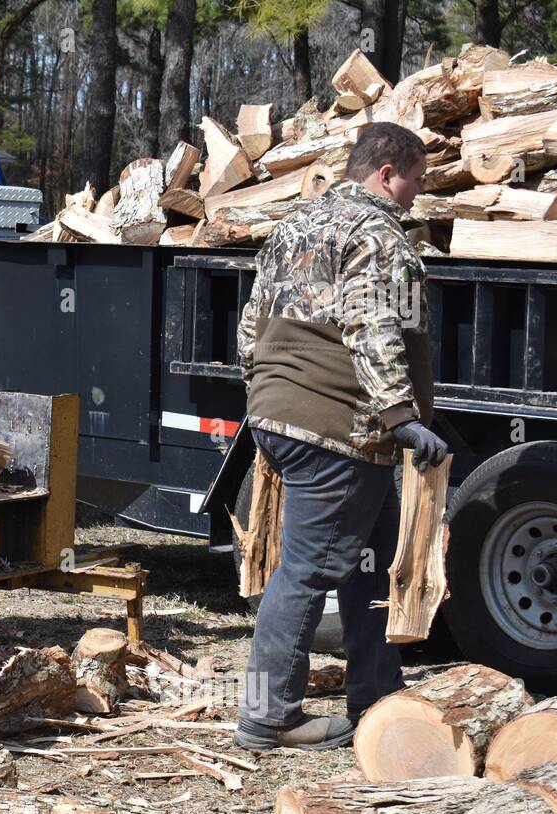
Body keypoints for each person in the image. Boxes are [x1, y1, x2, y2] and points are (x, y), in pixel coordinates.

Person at [233, 121, 449, 751]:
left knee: (370, 563)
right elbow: (373, 322)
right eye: (415, 179)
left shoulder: (294, 225)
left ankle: (375, 696)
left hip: (283, 417)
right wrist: (399, 415)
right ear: (386, 173)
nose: (417, 193)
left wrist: (264, 397)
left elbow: (252, 324)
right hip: (339, 426)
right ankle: (266, 716)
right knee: (304, 571)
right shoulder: (376, 232)